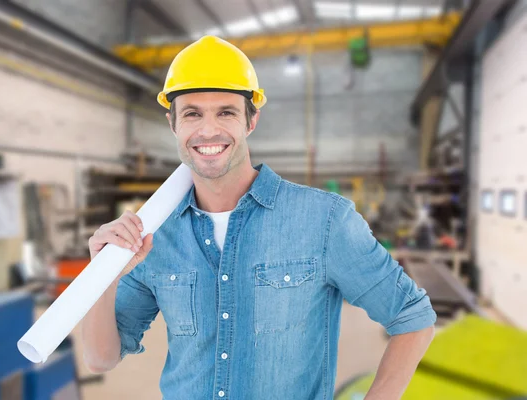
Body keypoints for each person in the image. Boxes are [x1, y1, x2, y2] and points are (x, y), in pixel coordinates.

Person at [81, 35, 436, 400]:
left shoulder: (324, 221)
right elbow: (100, 359)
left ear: (251, 121)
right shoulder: (154, 234)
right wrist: (102, 273)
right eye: (192, 113)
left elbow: (412, 317)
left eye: (226, 112)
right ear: (173, 123)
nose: (207, 130)